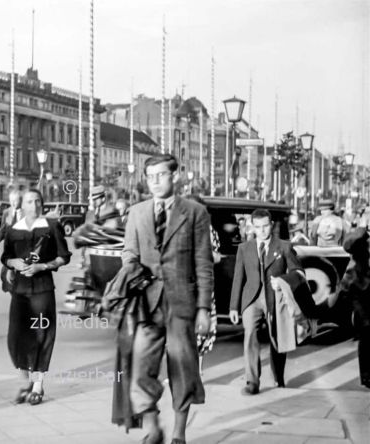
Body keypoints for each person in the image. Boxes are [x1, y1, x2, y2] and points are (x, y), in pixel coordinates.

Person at [122, 154, 213, 444]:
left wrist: (203, 309)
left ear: (175, 176)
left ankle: (179, 433)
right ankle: (152, 426)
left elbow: (203, 263)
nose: (156, 181)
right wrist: (132, 270)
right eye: (151, 176)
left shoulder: (195, 212)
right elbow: (129, 253)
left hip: (181, 304)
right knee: (140, 368)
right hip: (146, 306)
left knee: (183, 368)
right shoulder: (136, 213)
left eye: (161, 175)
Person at [1, 189, 71, 406]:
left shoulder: (51, 227)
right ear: (21, 205)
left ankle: (38, 384)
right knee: (15, 338)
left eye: (38, 201)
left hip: (42, 289)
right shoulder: (13, 230)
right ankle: (24, 381)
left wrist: (42, 266)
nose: (35, 205)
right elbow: (6, 256)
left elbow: (63, 257)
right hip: (19, 291)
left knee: (42, 335)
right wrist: (13, 263)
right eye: (30, 201)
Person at [229, 208, 304, 395]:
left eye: (265, 226)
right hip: (251, 299)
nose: (262, 231)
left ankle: (279, 377)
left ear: (271, 225)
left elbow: (299, 273)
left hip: (275, 298)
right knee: (250, 336)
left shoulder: (284, 246)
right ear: (252, 227)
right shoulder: (244, 248)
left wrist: (283, 281)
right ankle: (252, 381)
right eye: (258, 227)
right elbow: (238, 278)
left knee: (276, 337)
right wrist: (234, 306)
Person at [338, 228, 370, 389]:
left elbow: (343, 291)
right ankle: (366, 376)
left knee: (365, 343)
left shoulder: (352, 267)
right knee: (366, 342)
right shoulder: (356, 267)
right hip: (363, 313)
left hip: (361, 314)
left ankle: (366, 376)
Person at [0, 188, 23, 293]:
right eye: (11, 200)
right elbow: (2, 231)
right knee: (8, 278)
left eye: (16, 200)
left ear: (20, 200)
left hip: (22, 249)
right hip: (9, 249)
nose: (13, 203)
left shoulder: (26, 212)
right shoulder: (6, 213)